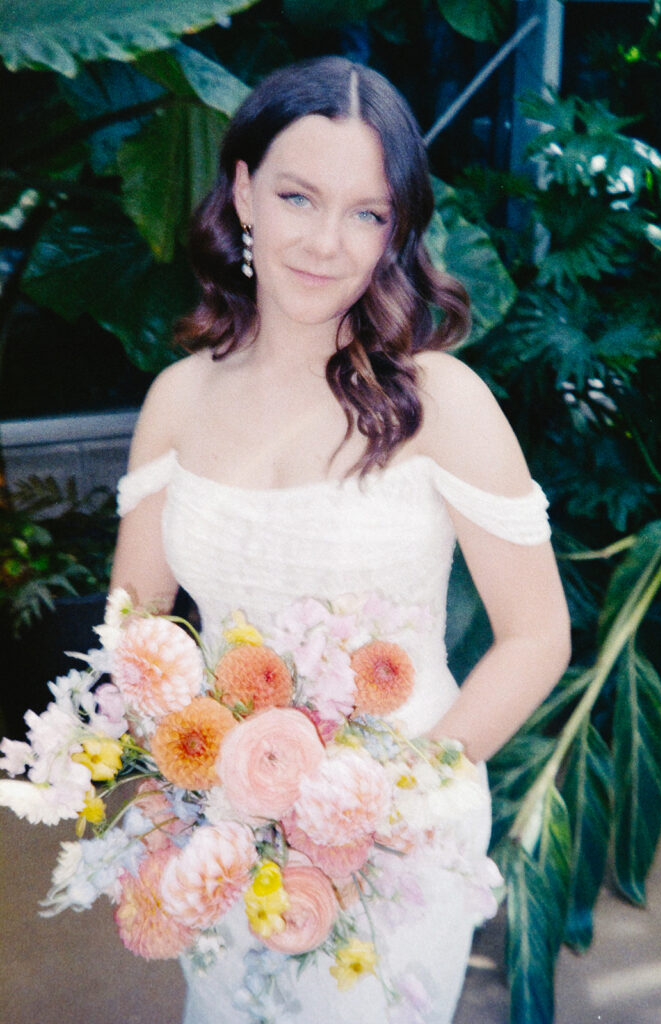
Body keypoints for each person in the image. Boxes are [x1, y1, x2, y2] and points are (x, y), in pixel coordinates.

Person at [111, 56, 570, 1024]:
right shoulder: (178, 399)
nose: (325, 241)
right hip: (228, 825)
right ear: (240, 191)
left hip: (401, 828)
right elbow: (137, 625)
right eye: (296, 196)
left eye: (365, 212)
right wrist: (178, 794)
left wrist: (386, 802)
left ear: (397, 228)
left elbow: (535, 636)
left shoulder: (440, 401)